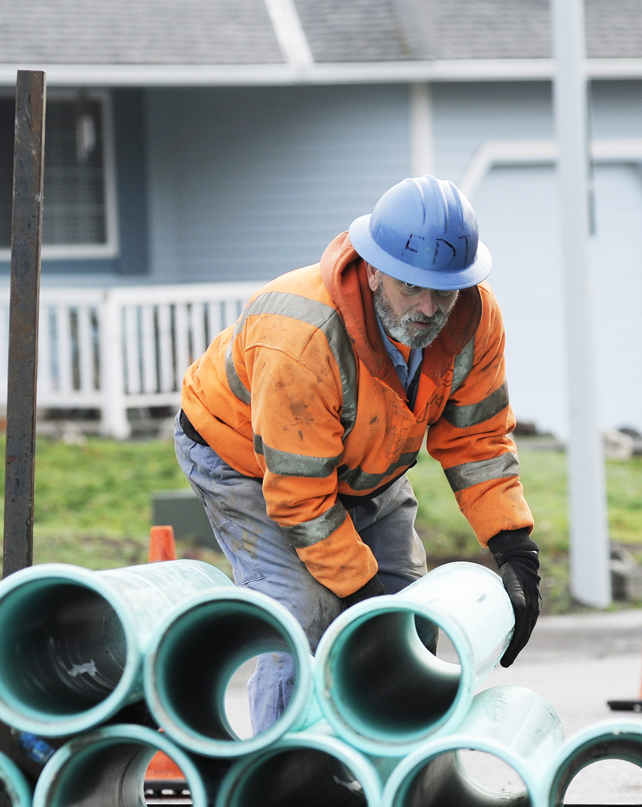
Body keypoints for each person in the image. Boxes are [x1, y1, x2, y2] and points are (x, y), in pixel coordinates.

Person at [174, 175, 541, 734]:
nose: (427, 307)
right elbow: (299, 497)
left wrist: (514, 548)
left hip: (366, 461)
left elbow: (478, 440)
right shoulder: (301, 337)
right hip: (244, 461)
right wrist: (361, 597)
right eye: (409, 287)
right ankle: (280, 778)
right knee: (302, 613)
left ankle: (382, 775)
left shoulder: (473, 319)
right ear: (372, 271)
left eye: (443, 290)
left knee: (411, 614)